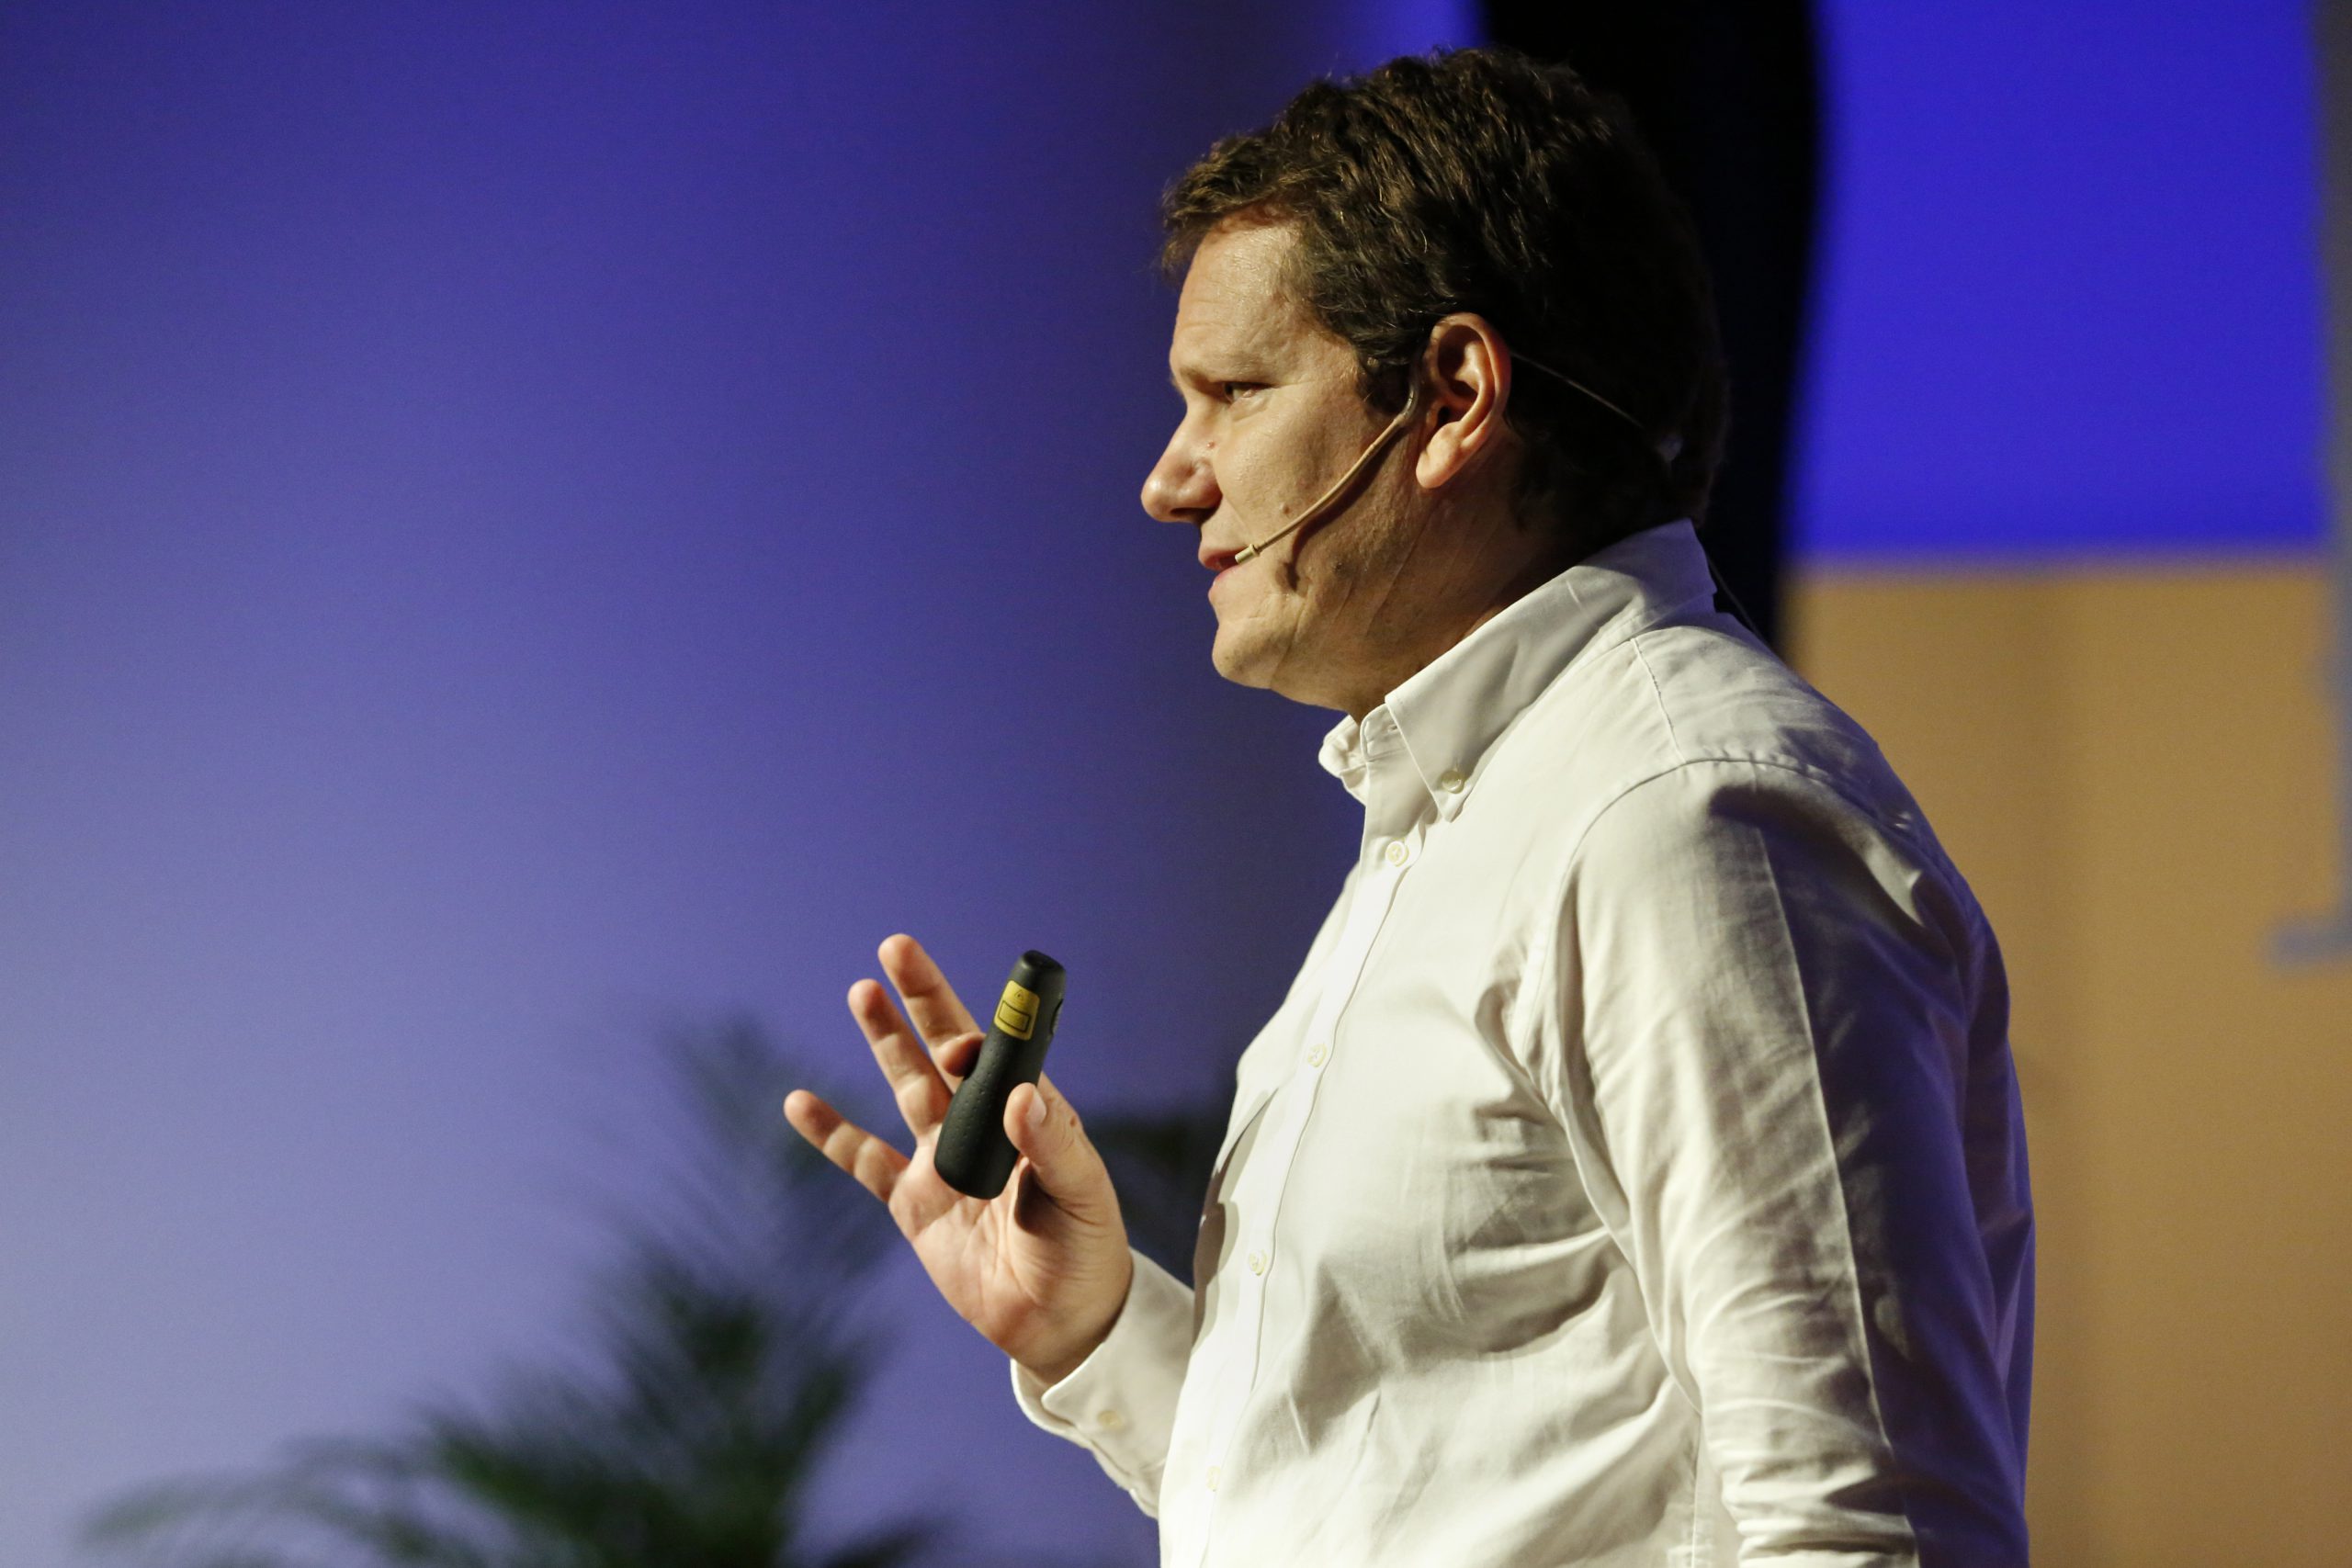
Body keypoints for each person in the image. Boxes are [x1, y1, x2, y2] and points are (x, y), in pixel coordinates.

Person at [784, 48, 2032, 1567]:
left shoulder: (1688, 820)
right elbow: (1407, 1500)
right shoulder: (1472, 809)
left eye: (1232, 394)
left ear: (1451, 398)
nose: (1171, 479)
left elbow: (1873, 1531)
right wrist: (1096, 1332)